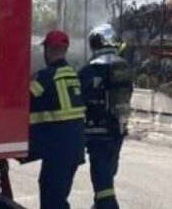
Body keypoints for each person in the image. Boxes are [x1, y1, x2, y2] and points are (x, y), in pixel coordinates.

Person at [29, 30, 86, 209]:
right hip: (73, 149)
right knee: (55, 196)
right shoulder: (73, 75)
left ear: (49, 50)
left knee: (53, 200)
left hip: (58, 150)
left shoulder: (45, 77)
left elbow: (21, 101)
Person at [79, 24, 134, 209]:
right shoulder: (123, 66)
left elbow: (78, 96)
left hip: (97, 132)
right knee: (108, 174)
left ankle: (107, 206)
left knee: (102, 184)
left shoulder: (91, 69)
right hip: (117, 129)